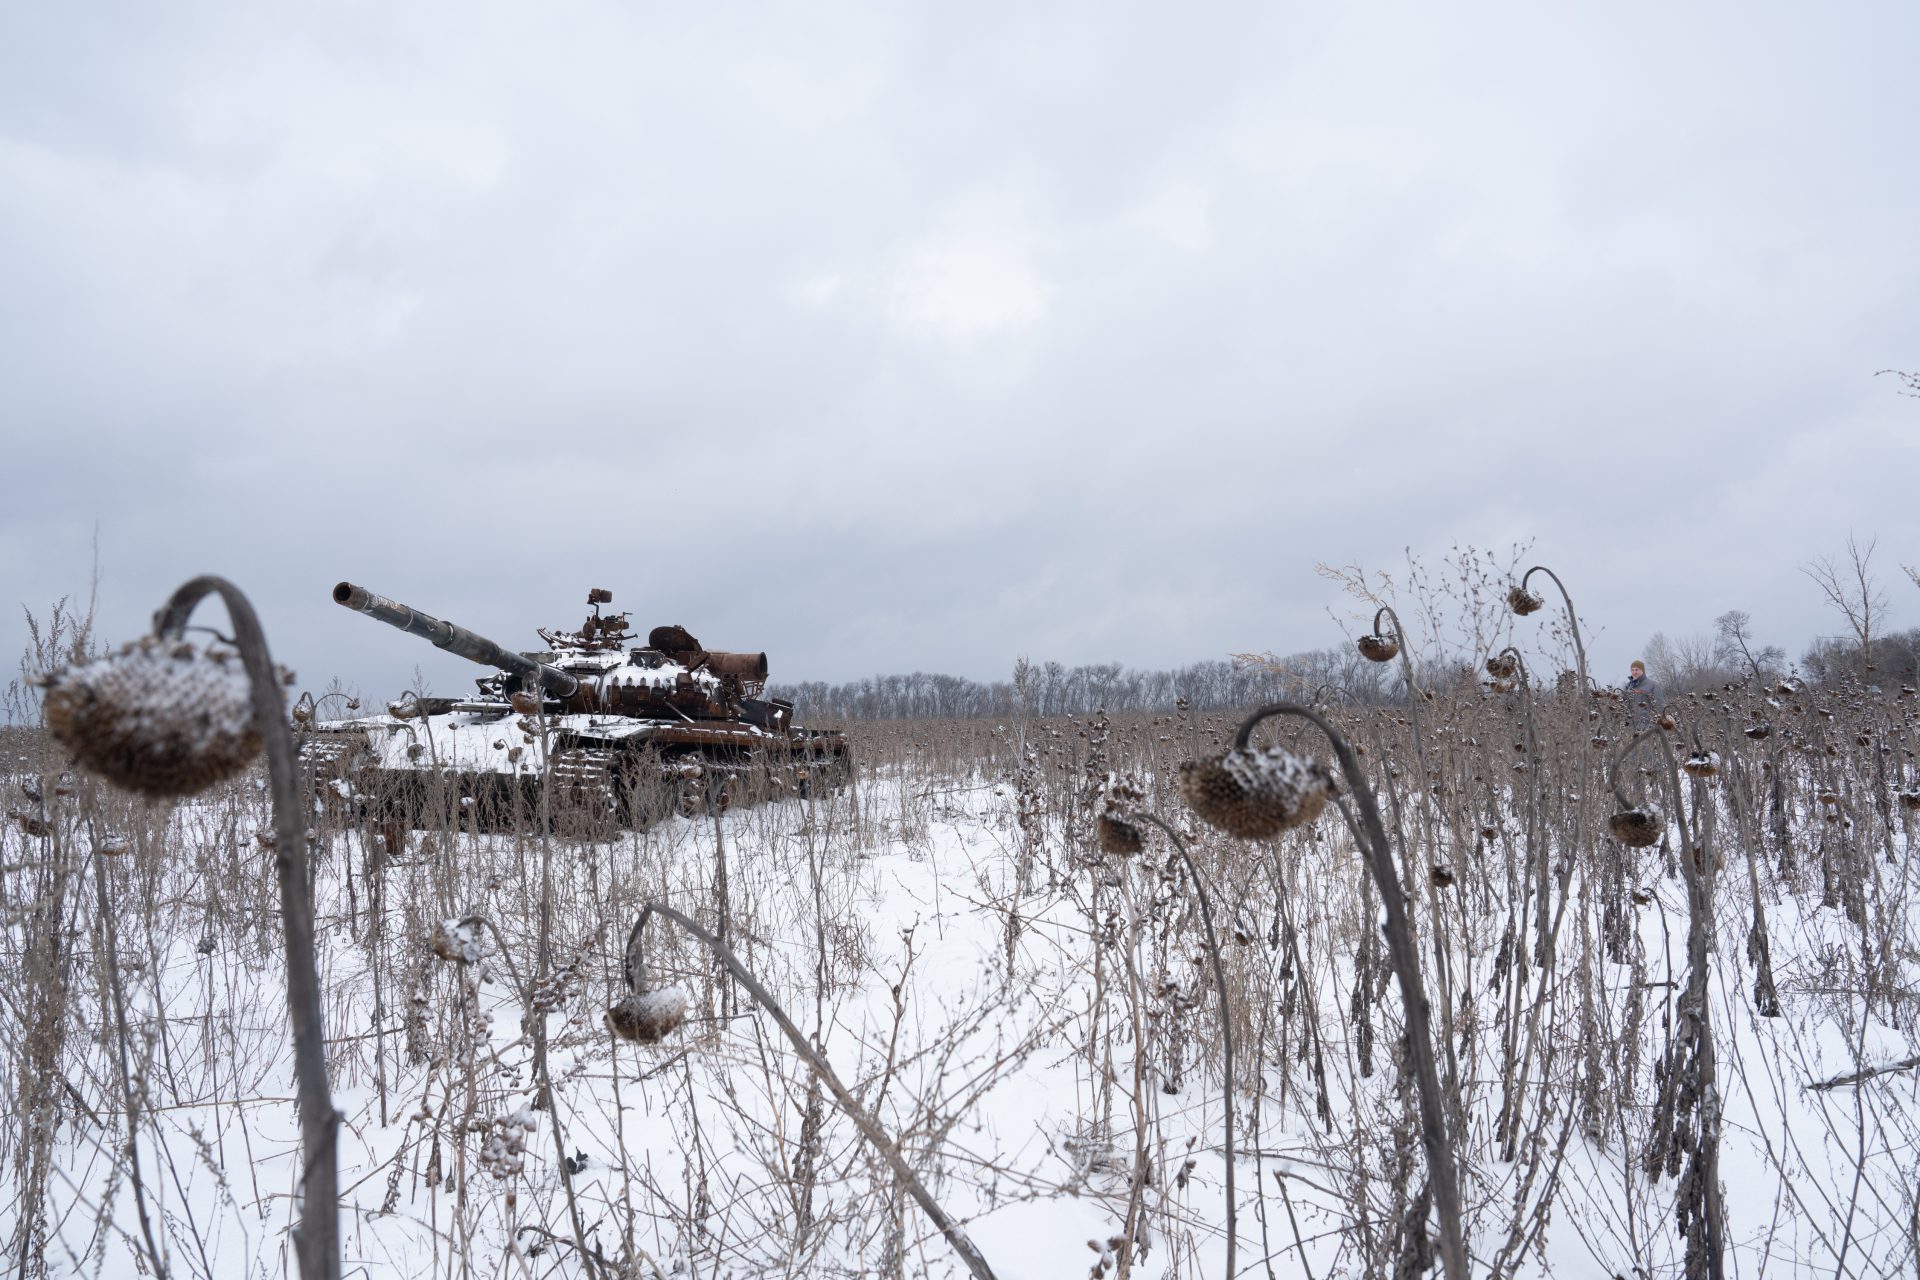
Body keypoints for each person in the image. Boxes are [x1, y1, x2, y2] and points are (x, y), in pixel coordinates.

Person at [1625, 660, 1659, 729]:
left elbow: (1660, 705)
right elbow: (1624, 704)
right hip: (1630, 726)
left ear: (1642, 670)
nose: (1634, 672)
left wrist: (1657, 725)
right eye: (1632, 670)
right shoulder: (1628, 686)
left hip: (1646, 726)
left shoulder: (1652, 685)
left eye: (1636, 670)